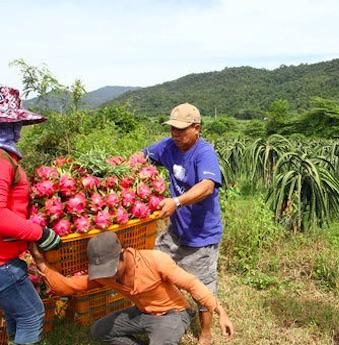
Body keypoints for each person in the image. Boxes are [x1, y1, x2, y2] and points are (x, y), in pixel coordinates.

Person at [30, 231, 234, 345]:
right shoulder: (104, 275)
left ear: (122, 254)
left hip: (173, 313)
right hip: (143, 312)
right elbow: (67, 287)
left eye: (111, 268)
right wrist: (41, 263)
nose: (107, 275)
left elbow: (193, 285)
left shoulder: (155, 260)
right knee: (99, 330)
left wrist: (220, 314)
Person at [143, 103, 223, 345]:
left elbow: (207, 187)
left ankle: (206, 334)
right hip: (175, 231)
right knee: (156, 269)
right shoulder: (168, 146)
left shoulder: (204, 152)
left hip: (202, 234)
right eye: (172, 130)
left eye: (181, 130)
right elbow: (142, 157)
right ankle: (172, 311)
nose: (175, 135)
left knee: (202, 286)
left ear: (196, 128)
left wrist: (176, 201)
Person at [0, 86, 61, 345]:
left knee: (16, 315)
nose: (18, 131)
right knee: (31, 316)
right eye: (15, 125)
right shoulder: (2, 159)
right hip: (2, 262)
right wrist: (41, 233)